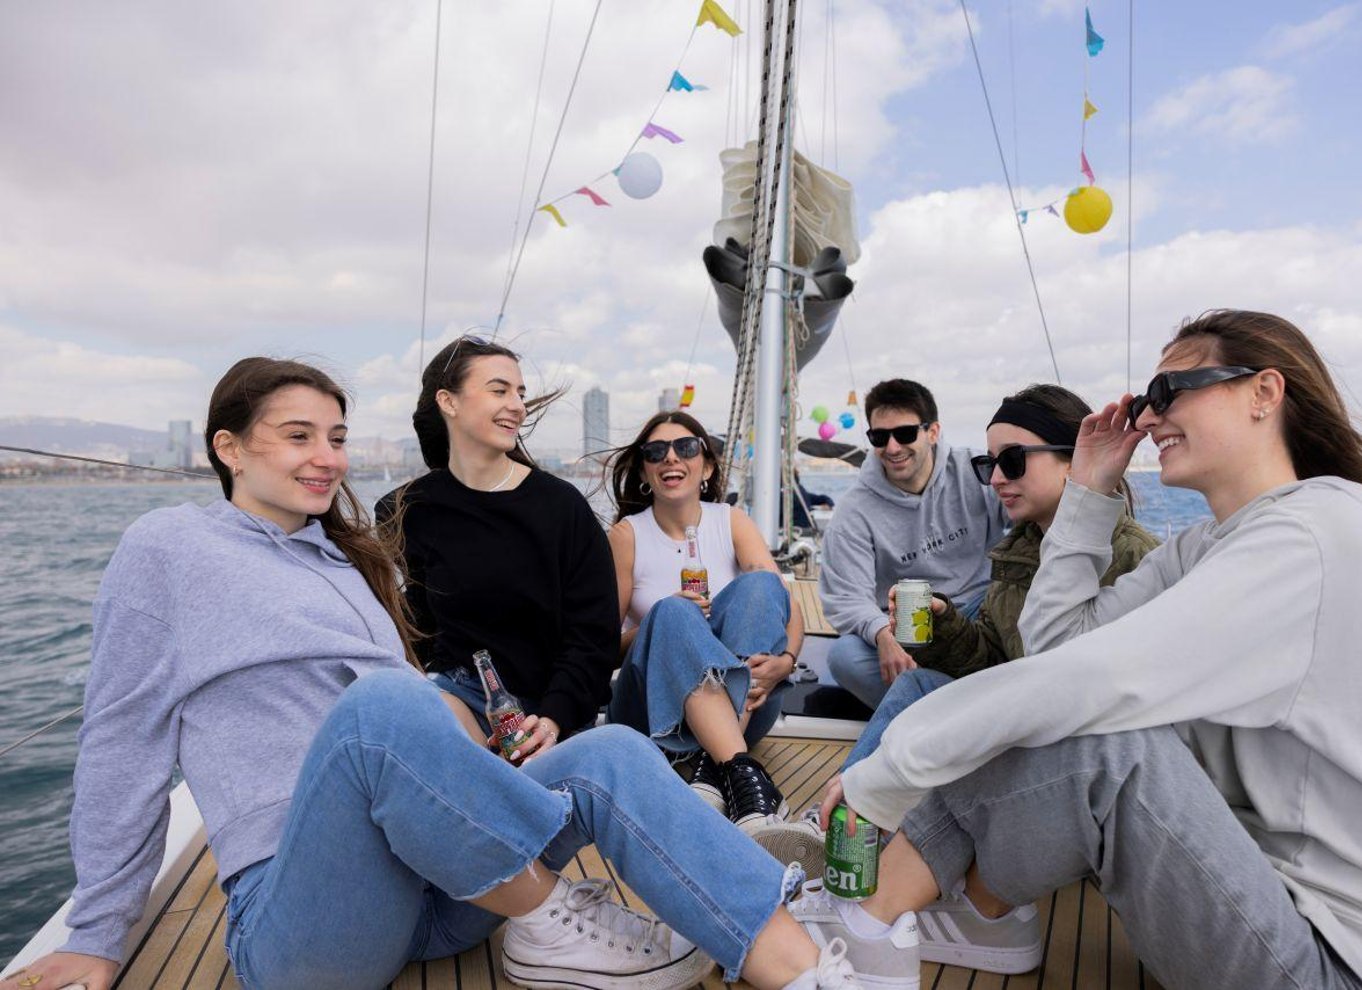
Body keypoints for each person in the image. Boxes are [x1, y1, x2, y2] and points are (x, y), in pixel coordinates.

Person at [8, 357, 867, 990]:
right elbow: (122, 740)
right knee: (388, 703)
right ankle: (546, 915)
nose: (327, 457)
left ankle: (801, 968)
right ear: (227, 447)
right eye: (298, 436)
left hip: (438, 889)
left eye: (337, 438)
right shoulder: (170, 547)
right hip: (305, 917)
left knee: (611, 753)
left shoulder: (345, 562)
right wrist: (97, 932)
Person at [795, 311, 1362, 989]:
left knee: (1103, 741)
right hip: (1250, 890)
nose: (1148, 417)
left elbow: (1087, 679)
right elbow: (1057, 648)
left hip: (1321, 954)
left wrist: (887, 773)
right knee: (1054, 715)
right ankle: (906, 910)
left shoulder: (1311, 536)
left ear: (1263, 393)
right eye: (1146, 399)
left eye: (1169, 391)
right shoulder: (1206, 545)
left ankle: (867, 920)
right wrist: (1088, 490)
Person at [380, 336, 617, 749]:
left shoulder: (561, 507)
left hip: (551, 711)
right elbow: (413, 628)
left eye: (520, 393)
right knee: (409, 708)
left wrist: (553, 719)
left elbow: (593, 635)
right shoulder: (405, 510)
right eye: (499, 390)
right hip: (456, 697)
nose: (517, 405)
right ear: (448, 401)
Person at [605, 411, 806, 835]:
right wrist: (662, 623)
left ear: (707, 466)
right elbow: (601, 647)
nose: (670, 458)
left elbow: (784, 604)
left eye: (685, 447)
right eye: (655, 452)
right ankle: (740, 777)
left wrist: (786, 661)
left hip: (747, 703)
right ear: (643, 471)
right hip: (654, 714)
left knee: (760, 584)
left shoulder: (731, 521)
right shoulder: (627, 536)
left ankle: (715, 771)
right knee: (674, 611)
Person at [819, 378, 1009, 709]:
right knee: (845, 656)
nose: (892, 448)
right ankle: (966, 706)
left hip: (977, 610)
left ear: (932, 432)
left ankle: (928, 705)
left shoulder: (976, 471)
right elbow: (847, 597)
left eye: (905, 434)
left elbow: (1029, 513)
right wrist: (882, 634)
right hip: (909, 625)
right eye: (879, 437)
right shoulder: (854, 510)